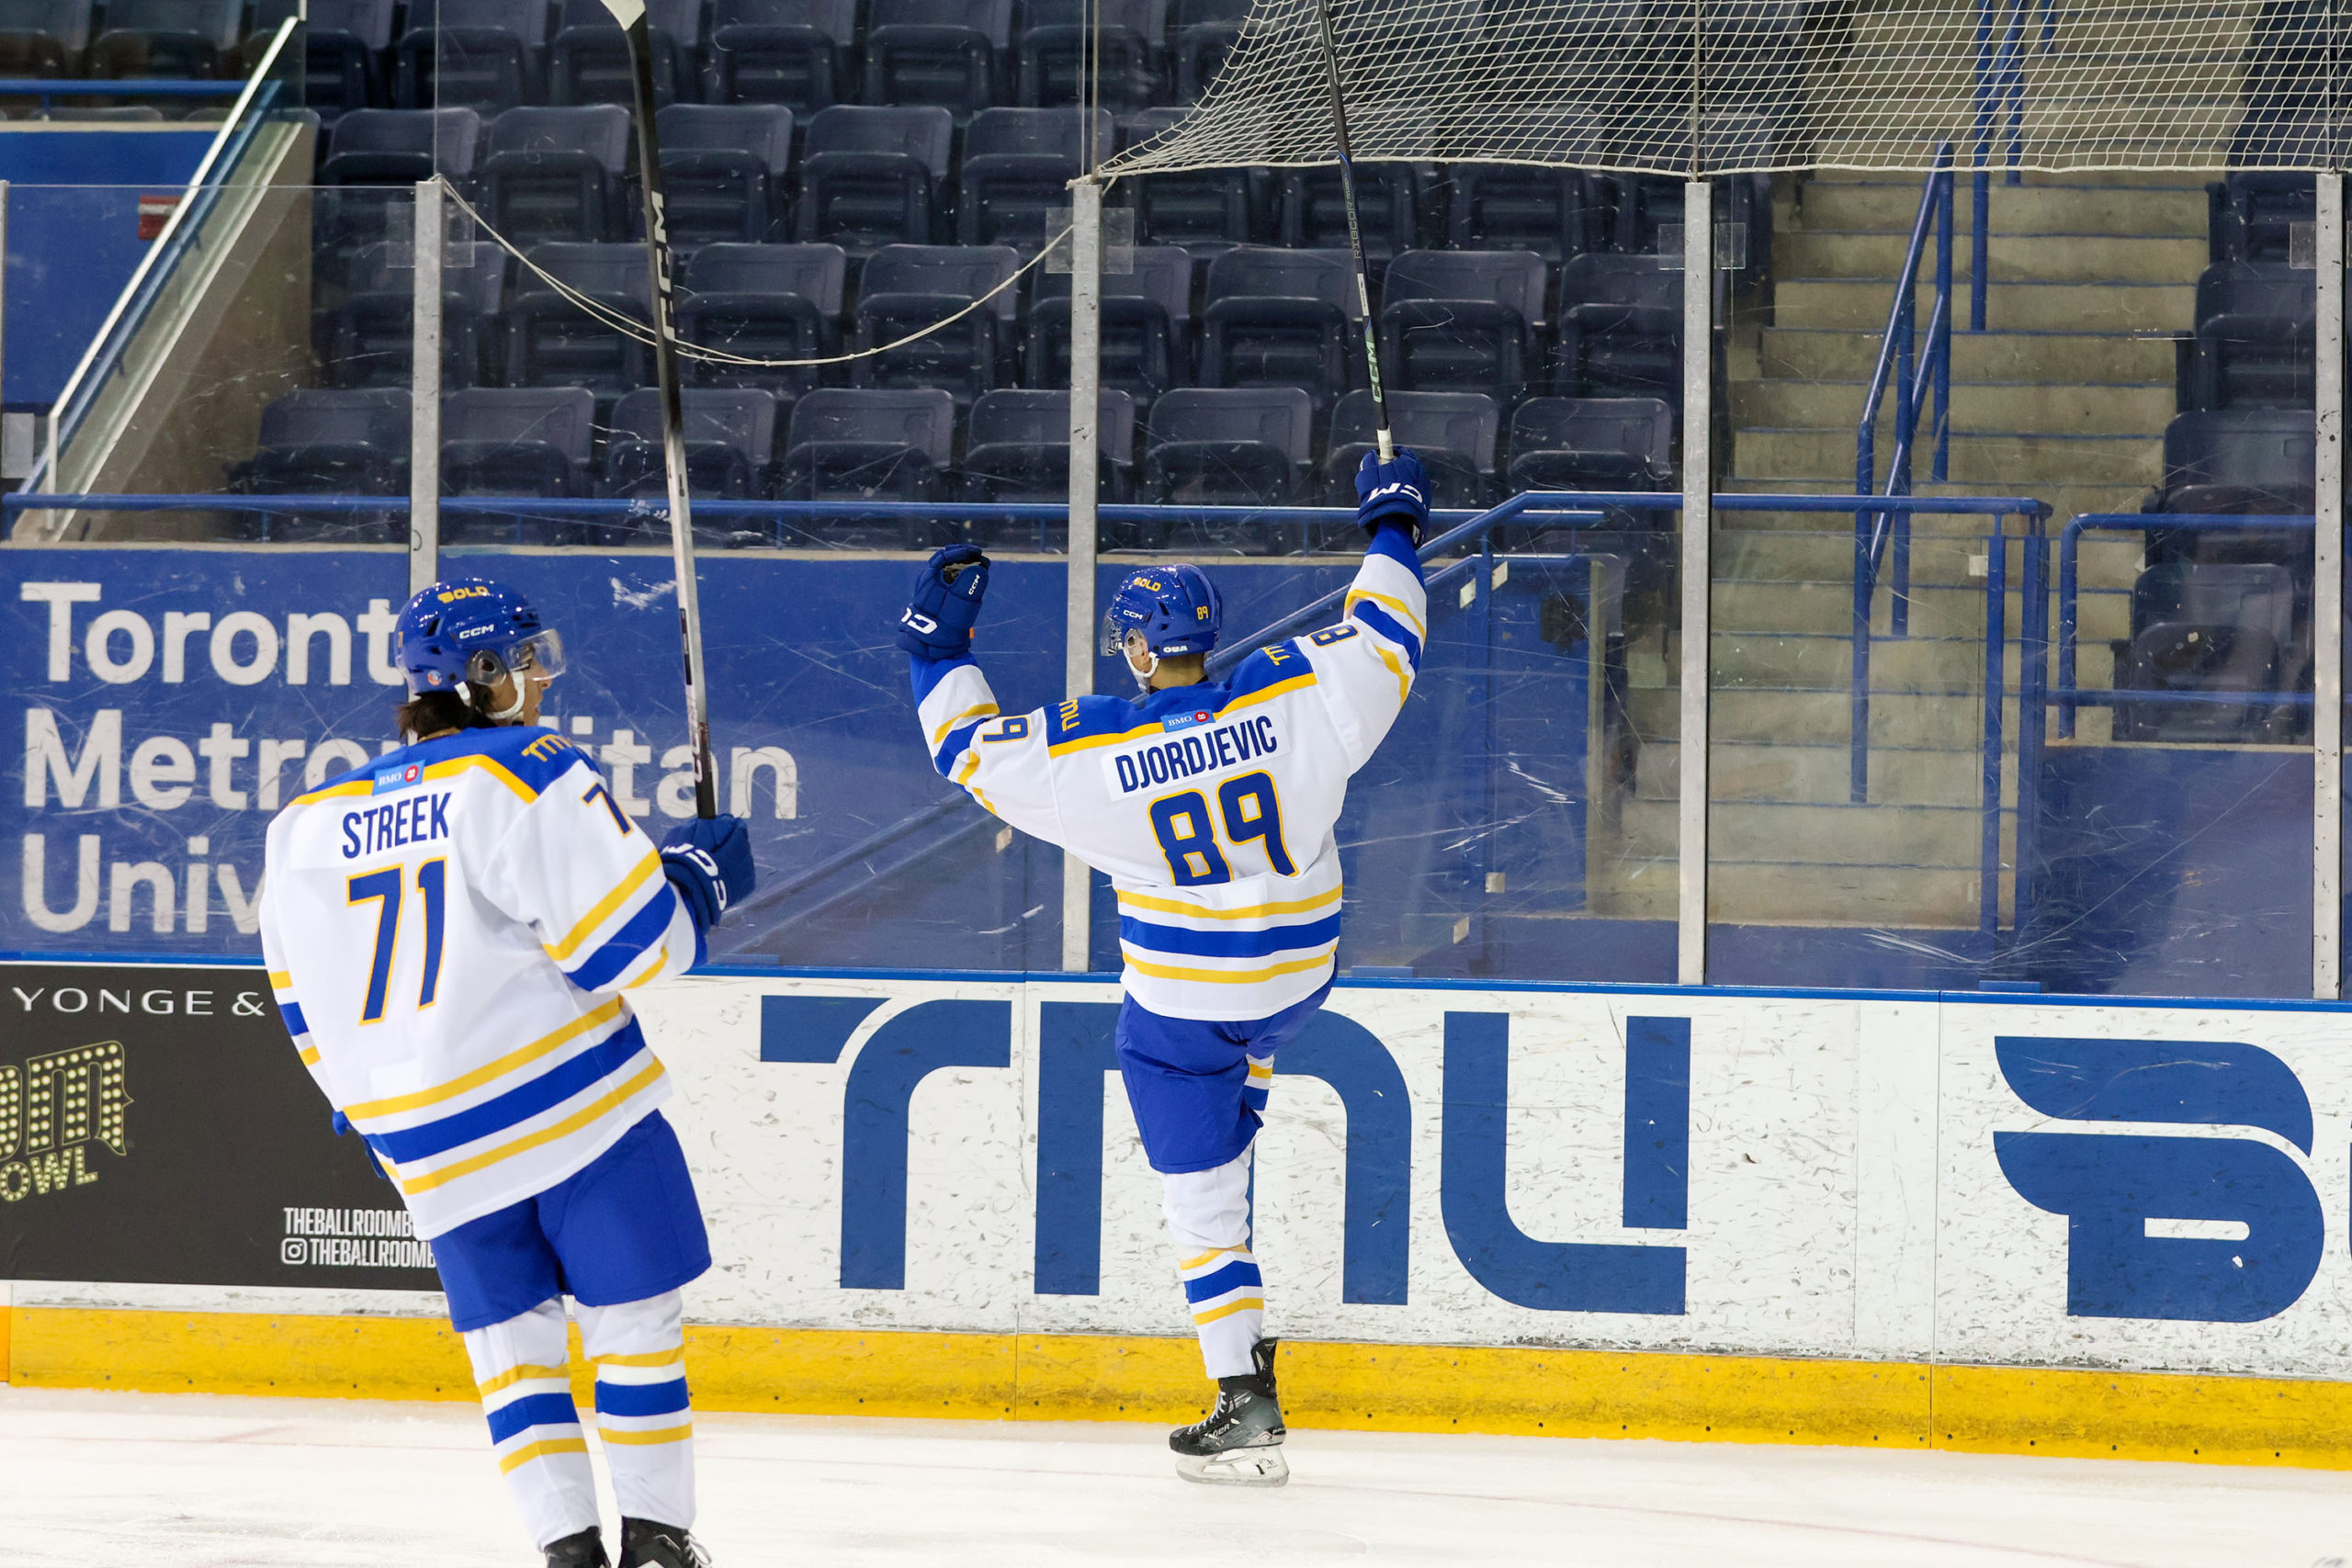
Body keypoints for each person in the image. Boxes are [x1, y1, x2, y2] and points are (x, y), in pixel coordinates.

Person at [895, 451, 1431, 1484]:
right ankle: (1250, 1089)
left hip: (1185, 1013)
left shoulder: (1091, 754)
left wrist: (935, 646)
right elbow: (1386, 631)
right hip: (1299, 983)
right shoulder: (1299, 696)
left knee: (1203, 1199)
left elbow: (964, 748)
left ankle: (1240, 1391)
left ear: (1139, 650)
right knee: (1247, 1056)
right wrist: (1392, 522)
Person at [258, 578, 754, 1567]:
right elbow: (635, 951)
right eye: (525, 660)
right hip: (575, 1117)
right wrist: (695, 885)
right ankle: (657, 1541)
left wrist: (370, 1108)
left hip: (427, 1146)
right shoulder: (529, 768)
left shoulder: (304, 824)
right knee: (633, 1326)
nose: (540, 680)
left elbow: (298, 999)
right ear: (480, 676)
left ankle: (565, 1551)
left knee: (512, 1354)